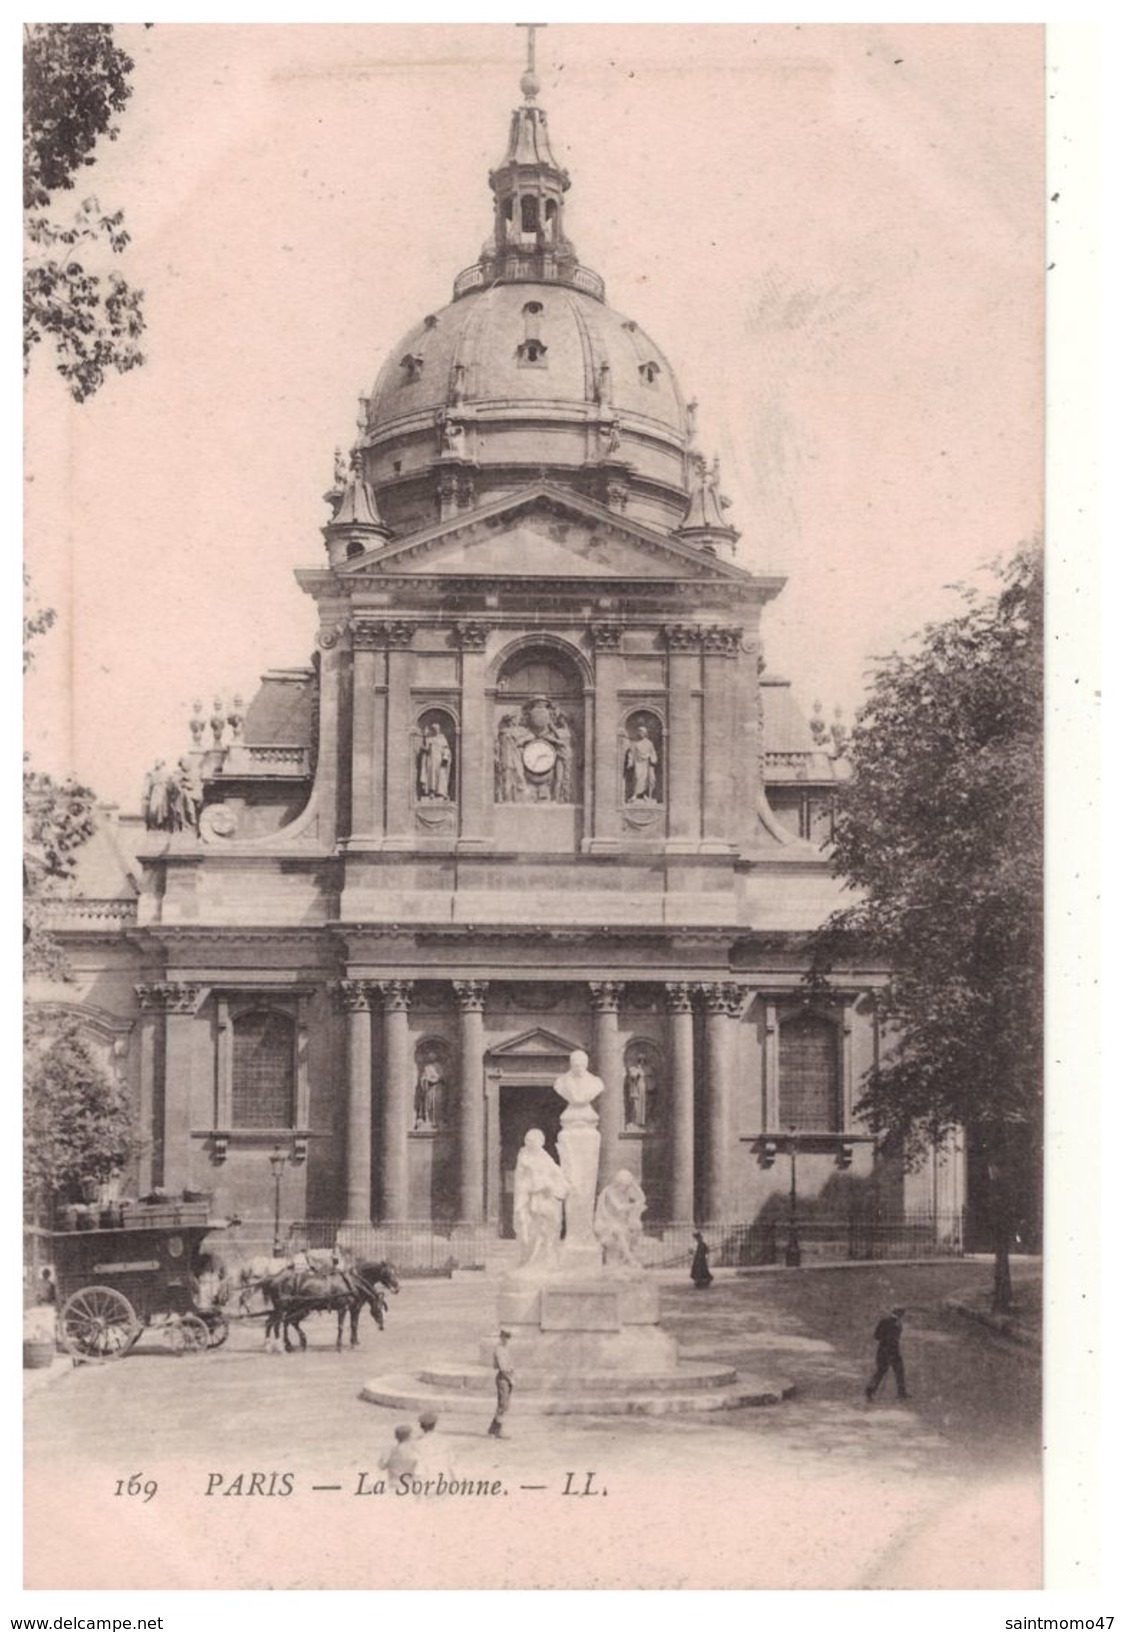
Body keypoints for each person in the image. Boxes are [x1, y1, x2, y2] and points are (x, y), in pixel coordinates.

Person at [512, 1129, 570, 1268]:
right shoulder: (524, 1157)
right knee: (532, 1232)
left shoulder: (545, 1157)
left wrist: (553, 1184)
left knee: (547, 1231)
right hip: (532, 1201)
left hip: (546, 1199)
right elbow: (521, 1182)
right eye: (528, 1140)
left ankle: (545, 1260)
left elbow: (557, 1173)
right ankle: (531, 1260)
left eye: (534, 1140)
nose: (530, 1143)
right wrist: (535, 1186)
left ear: (541, 1142)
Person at [594, 1169, 647, 1270]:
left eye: (627, 1186)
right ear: (618, 1183)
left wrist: (634, 1184)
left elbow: (642, 1198)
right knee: (618, 1230)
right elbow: (619, 1207)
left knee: (636, 1226)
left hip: (617, 1221)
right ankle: (630, 1259)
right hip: (604, 1222)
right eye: (624, 1185)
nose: (626, 1188)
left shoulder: (626, 1192)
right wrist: (634, 1205)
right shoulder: (609, 1191)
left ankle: (630, 1254)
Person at [866, 1306, 908, 1401]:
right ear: (899, 1314)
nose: (902, 1316)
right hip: (890, 1351)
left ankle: (870, 1390)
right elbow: (879, 1336)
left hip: (885, 1350)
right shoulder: (893, 1323)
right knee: (894, 1370)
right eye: (902, 1314)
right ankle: (900, 1392)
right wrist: (888, 1340)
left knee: (883, 1371)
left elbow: (876, 1336)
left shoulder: (888, 1322)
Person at [488, 1330, 514, 1438]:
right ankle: (498, 1430)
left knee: (504, 1405)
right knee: (502, 1405)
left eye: (508, 1337)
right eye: (504, 1337)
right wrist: (511, 1379)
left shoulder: (505, 1349)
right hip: (504, 1378)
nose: (506, 1339)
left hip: (507, 1377)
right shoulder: (499, 1349)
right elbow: (502, 1367)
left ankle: (493, 1429)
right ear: (501, 1337)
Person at [413, 1409, 454, 1478]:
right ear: (435, 1425)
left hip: (427, 1478)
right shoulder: (444, 1440)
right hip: (444, 1477)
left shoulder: (417, 1443)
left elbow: (418, 1468)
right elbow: (451, 1463)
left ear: (421, 1426)